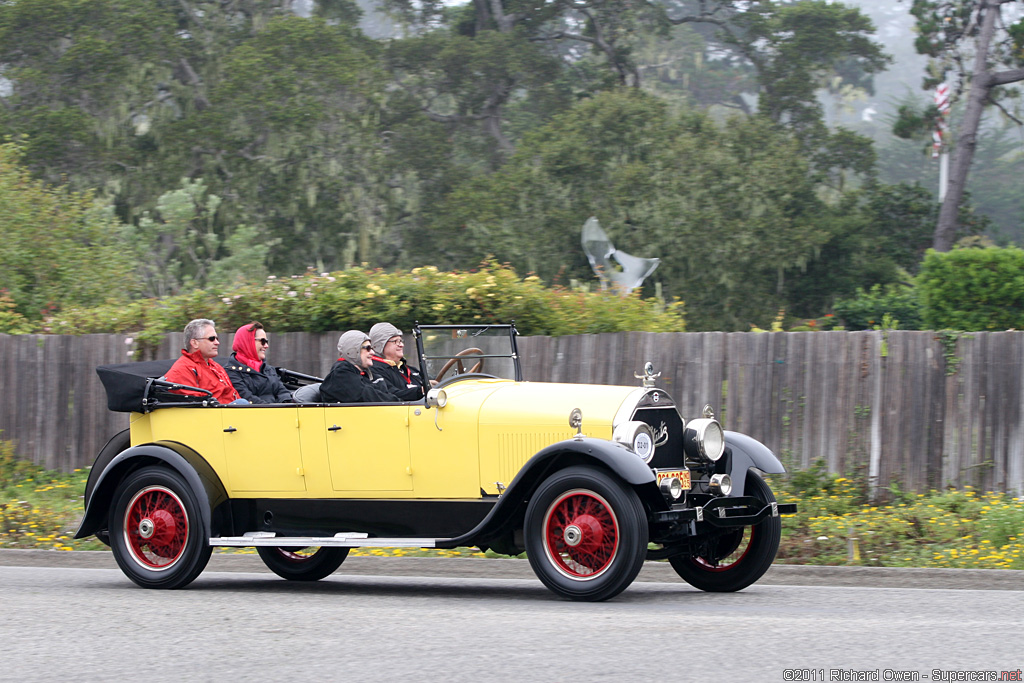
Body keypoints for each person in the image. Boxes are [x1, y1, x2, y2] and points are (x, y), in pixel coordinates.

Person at [163, 318, 242, 404]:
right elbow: (194, 407)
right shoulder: (182, 369)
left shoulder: (216, 367)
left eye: (217, 338)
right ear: (195, 343)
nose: (217, 342)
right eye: (211, 338)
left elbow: (234, 396)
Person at [319, 330, 398, 403]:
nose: (372, 352)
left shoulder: (366, 375)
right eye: (368, 348)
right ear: (352, 351)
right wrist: (399, 403)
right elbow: (369, 396)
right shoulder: (341, 375)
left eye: (372, 348)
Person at [225, 321, 293, 404]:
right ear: (247, 341)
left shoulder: (268, 369)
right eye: (262, 341)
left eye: (266, 342)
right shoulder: (230, 372)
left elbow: (282, 392)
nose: (266, 346)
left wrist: (287, 405)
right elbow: (246, 397)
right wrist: (274, 410)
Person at [368, 322, 426, 401]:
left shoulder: (407, 369)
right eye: (395, 341)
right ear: (380, 345)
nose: (401, 345)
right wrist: (421, 391)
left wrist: (432, 383)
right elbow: (390, 395)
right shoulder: (373, 370)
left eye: (401, 341)